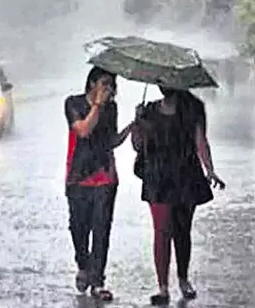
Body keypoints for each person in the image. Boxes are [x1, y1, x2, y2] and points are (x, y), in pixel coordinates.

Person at [131, 86, 226, 306]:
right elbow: (138, 146)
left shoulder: (193, 108)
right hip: (157, 177)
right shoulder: (149, 110)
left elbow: (200, 141)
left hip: (186, 176)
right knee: (162, 231)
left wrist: (209, 170)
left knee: (182, 230)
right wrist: (138, 123)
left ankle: (183, 279)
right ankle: (162, 287)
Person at [63, 66, 133, 301]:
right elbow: (83, 130)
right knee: (78, 227)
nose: (109, 89)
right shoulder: (73, 103)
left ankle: (97, 281)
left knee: (102, 229)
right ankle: (83, 264)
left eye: (112, 85)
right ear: (92, 83)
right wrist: (97, 106)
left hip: (105, 177)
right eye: (104, 83)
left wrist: (132, 128)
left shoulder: (111, 108)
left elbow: (110, 140)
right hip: (78, 177)